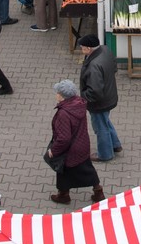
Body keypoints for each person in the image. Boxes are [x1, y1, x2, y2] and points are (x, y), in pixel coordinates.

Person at [47, 80, 105, 205]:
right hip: (82, 144)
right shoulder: (78, 104)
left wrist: (53, 150)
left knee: (63, 171)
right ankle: (98, 191)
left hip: (70, 149)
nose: (56, 94)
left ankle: (63, 195)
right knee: (87, 169)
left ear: (62, 96)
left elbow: (64, 138)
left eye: (57, 93)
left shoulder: (63, 113)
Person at [78, 34, 122, 162]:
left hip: (99, 102)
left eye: (82, 47)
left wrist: (83, 98)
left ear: (89, 49)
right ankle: (115, 144)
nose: (81, 49)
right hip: (109, 95)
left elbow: (95, 91)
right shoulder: (105, 49)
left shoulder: (93, 66)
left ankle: (105, 154)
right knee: (105, 120)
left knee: (100, 127)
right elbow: (114, 67)